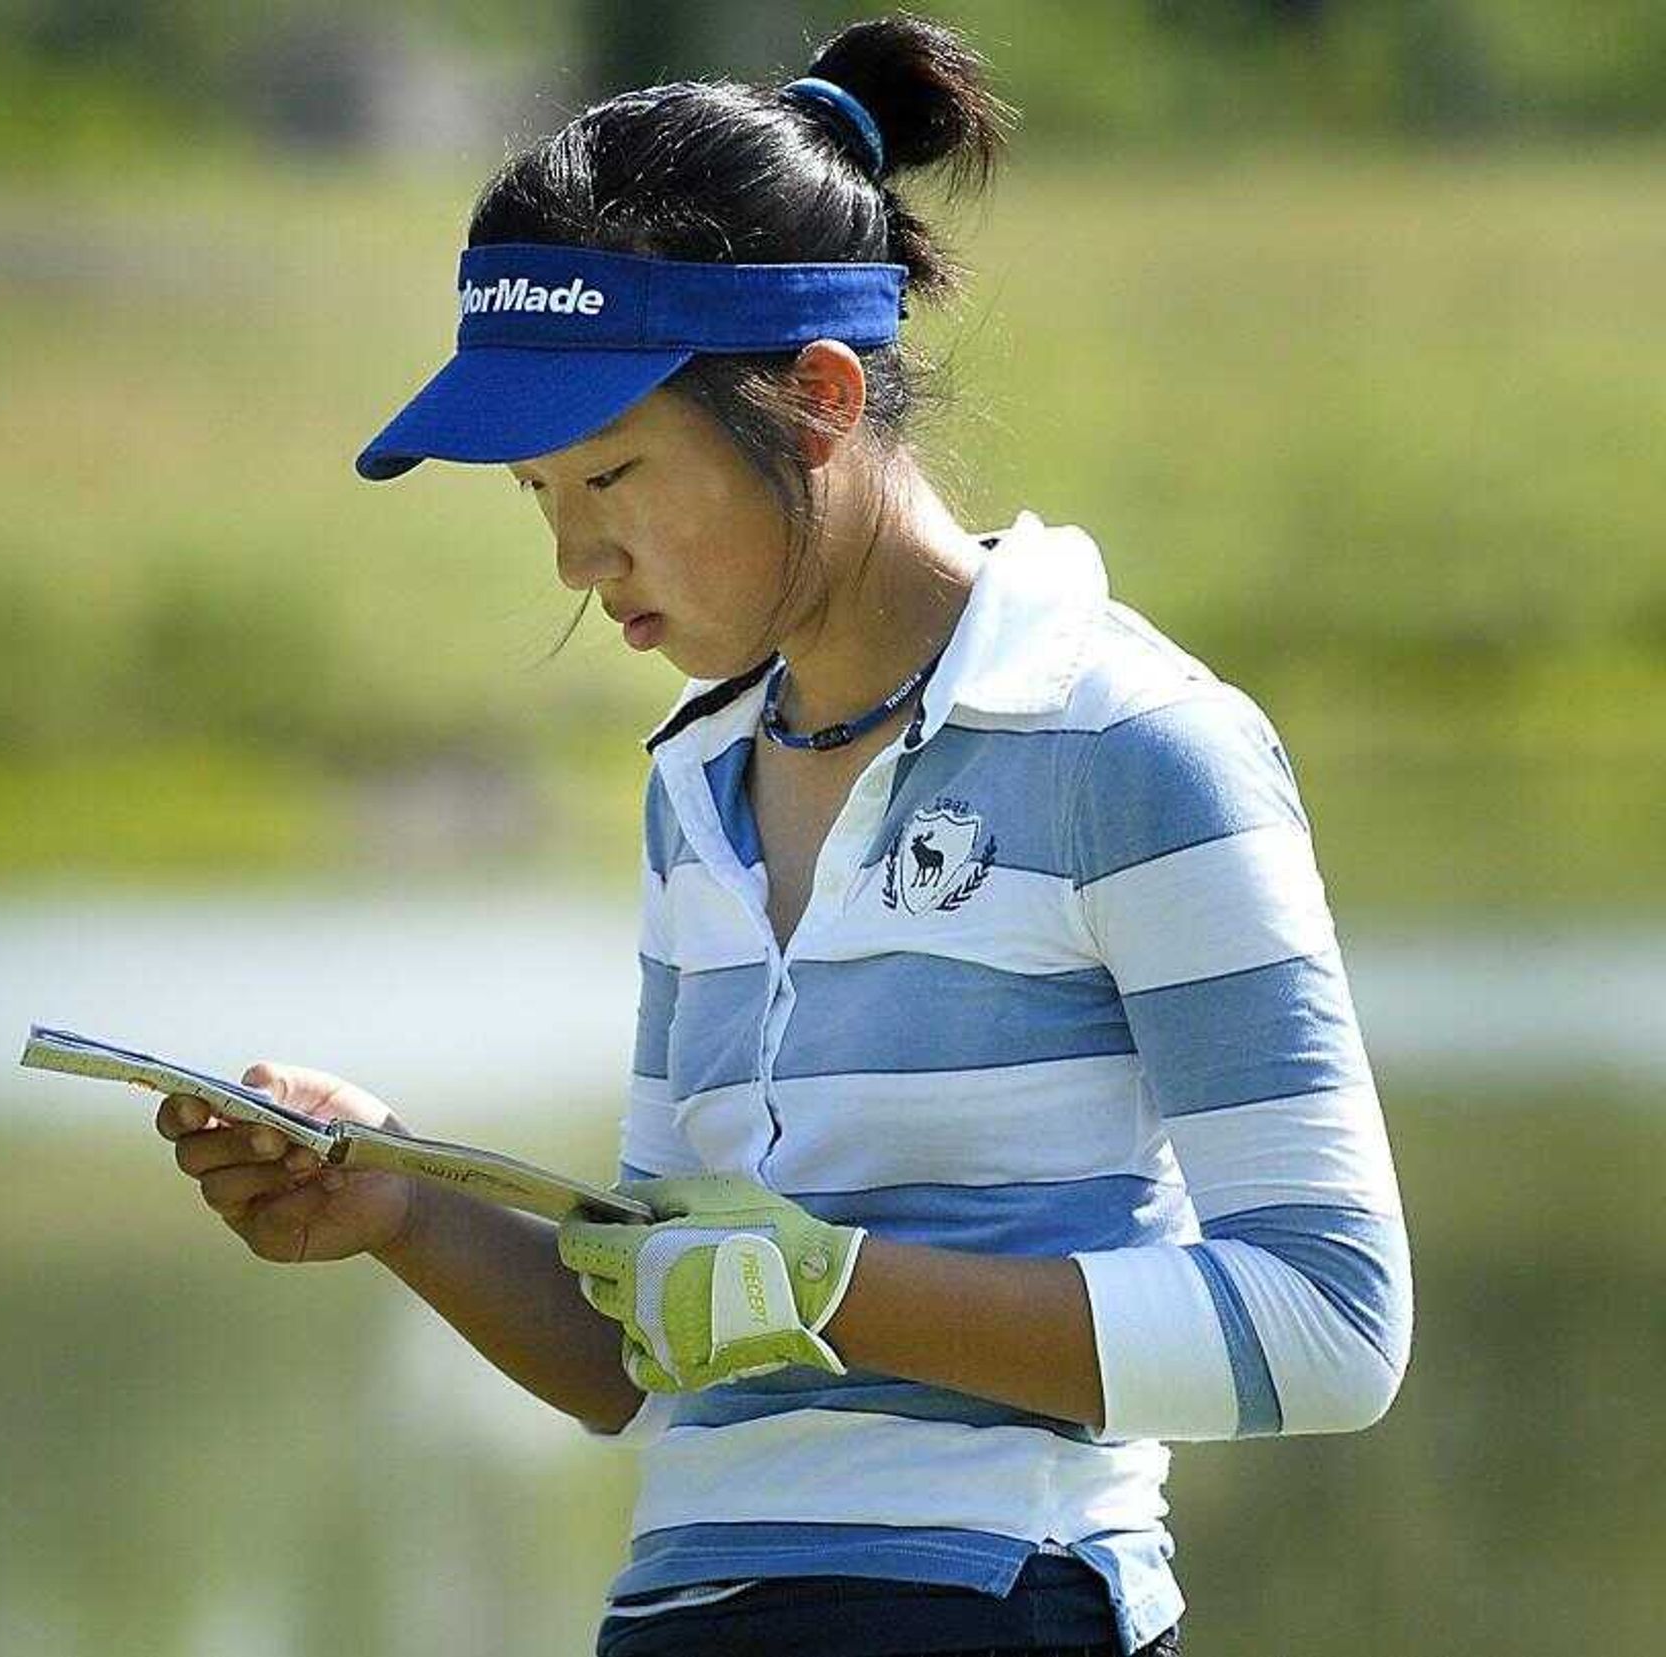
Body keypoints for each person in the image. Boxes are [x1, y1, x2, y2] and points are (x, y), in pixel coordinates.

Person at [152, 14, 1414, 1656]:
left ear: (818, 400)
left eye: (612, 475)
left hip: (994, 1604)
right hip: (688, 1612)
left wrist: (829, 1289)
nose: (574, 561)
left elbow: (1328, 1323)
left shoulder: (1135, 744)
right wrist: (399, 1199)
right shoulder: (701, 782)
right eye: (539, 496)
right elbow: (648, 1347)